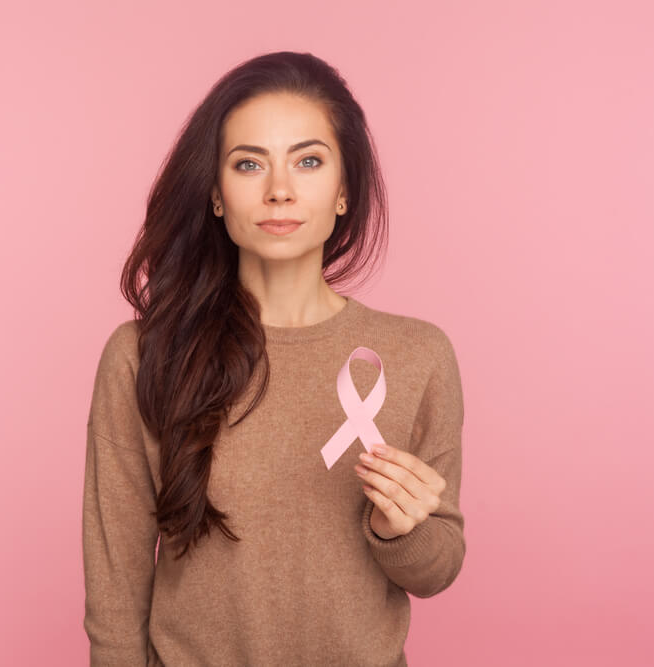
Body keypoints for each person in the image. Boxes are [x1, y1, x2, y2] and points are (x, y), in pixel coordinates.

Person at [83, 51, 466, 667]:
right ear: (214, 192)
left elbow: (437, 566)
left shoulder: (418, 355)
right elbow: (115, 592)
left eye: (308, 161)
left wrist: (403, 529)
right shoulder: (143, 356)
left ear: (344, 192)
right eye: (249, 163)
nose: (280, 190)